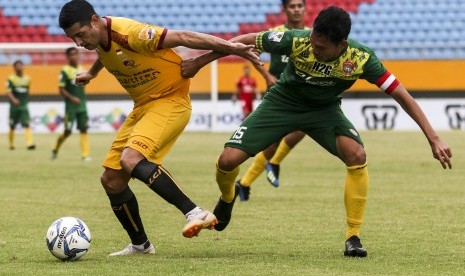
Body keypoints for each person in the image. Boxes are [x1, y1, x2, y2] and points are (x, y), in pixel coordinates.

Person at [181, 6, 452, 257]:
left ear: (342, 45)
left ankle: (353, 237)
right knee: (227, 161)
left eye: (321, 48)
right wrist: (199, 62)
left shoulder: (361, 58)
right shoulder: (298, 40)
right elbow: (244, 39)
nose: (314, 49)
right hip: (282, 103)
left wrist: (433, 137)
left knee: (357, 154)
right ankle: (227, 198)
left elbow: (401, 94)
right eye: (313, 41)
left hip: (324, 111)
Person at [58, 0, 261, 256]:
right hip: (143, 106)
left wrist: (232, 48)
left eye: (80, 34)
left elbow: (183, 36)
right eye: (73, 38)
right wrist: (92, 73)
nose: (78, 43)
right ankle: (141, 246)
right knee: (112, 181)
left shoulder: (131, 33)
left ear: (95, 20)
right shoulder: (98, 37)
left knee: (130, 159)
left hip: (170, 100)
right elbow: (103, 50)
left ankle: (196, 213)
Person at [237, 0, 309, 200]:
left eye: (299, 6)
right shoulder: (277, 33)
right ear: (284, 10)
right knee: (271, 143)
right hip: (278, 95)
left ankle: (272, 164)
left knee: (302, 129)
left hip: (301, 95)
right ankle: (244, 183)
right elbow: (253, 51)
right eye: (292, 6)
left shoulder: (312, 35)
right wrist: (267, 76)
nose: (296, 9)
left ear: (304, 9)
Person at [52, 47, 91, 161]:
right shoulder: (65, 70)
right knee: (67, 131)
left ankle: (85, 155)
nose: (74, 56)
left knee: (84, 129)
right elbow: (61, 89)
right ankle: (55, 149)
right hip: (71, 106)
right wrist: (72, 98)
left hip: (82, 104)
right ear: (68, 57)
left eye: (75, 54)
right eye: (71, 54)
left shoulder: (82, 69)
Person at [6, 60, 35, 150]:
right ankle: (11, 144)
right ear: (14, 68)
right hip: (14, 107)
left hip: (23, 106)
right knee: (12, 126)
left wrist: (26, 100)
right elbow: (9, 92)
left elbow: (27, 91)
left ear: (23, 67)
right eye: (17, 66)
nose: (19, 68)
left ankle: (30, 144)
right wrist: (14, 100)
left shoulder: (27, 79)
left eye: (20, 66)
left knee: (26, 124)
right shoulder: (11, 79)